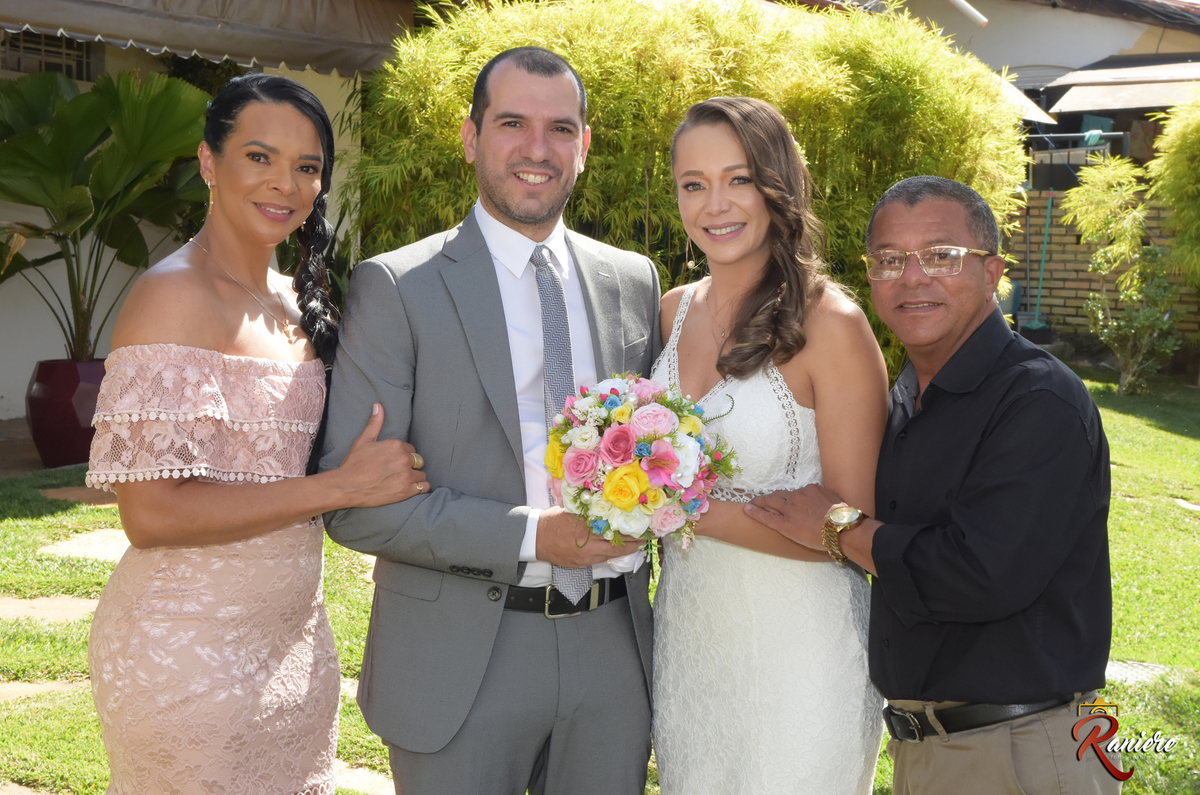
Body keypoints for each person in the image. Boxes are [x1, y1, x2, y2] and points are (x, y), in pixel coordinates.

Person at [319, 47, 661, 795]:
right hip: (461, 657)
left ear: (585, 145)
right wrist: (536, 535)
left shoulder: (634, 282)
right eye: (512, 123)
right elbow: (353, 507)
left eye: (560, 128)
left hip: (614, 648)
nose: (538, 149)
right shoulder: (398, 287)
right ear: (471, 137)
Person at [85, 73, 428, 794]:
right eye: (259, 157)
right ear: (209, 162)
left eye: (307, 167)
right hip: (184, 654)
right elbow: (151, 514)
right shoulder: (170, 296)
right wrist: (338, 488)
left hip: (295, 645)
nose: (286, 183)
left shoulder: (298, 304)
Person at [746, 176, 1118, 795]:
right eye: (890, 260)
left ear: (994, 270)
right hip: (927, 752)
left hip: (1023, 751)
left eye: (942, 256)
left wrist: (840, 529)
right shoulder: (904, 398)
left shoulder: (1038, 401)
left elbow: (981, 576)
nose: (912, 277)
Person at [650, 97, 888, 794]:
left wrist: (664, 504)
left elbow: (853, 527)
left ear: (777, 184)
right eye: (693, 184)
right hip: (692, 647)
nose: (714, 204)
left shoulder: (831, 324)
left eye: (739, 179)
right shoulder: (670, 310)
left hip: (800, 655)